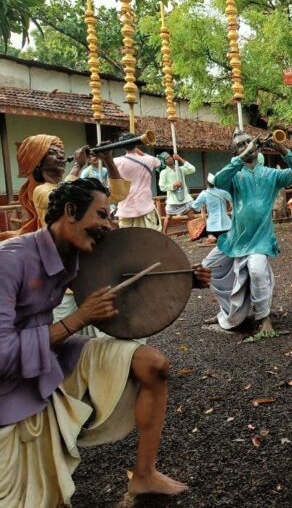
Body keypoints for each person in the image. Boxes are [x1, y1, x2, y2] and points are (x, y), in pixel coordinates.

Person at [0, 178, 211, 506]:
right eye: (102, 215)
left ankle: (144, 476)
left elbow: (130, 275)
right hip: (8, 380)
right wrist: (78, 320)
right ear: (71, 211)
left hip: (48, 353)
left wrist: (183, 277)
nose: (109, 226)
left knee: (152, 365)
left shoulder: (77, 251)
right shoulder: (9, 261)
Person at [202, 130, 292, 332]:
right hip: (234, 239)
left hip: (260, 239)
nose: (247, 145)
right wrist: (240, 158)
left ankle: (264, 318)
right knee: (207, 268)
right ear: (235, 153)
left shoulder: (271, 174)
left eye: (249, 142)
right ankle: (227, 311)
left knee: (257, 271)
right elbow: (219, 181)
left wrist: (281, 148)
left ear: (257, 146)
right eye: (240, 144)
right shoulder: (234, 175)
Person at [0, 135, 129, 242]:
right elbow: (61, 196)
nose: (61, 157)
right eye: (53, 153)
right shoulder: (40, 190)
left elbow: (117, 194)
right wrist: (78, 165)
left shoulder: (75, 185)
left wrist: (108, 160)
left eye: (62, 153)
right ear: (37, 162)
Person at [113, 132, 162, 230]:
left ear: (123, 146)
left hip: (125, 208)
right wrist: (140, 153)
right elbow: (159, 162)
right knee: (150, 240)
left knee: (128, 241)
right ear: (136, 144)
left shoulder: (116, 161)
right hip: (145, 206)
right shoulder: (149, 160)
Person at [158, 152, 196, 234]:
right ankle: (164, 234)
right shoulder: (164, 172)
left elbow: (192, 169)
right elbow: (162, 187)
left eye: (170, 157)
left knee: (191, 215)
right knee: (168, 217)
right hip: (173, 199)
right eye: (167, 159)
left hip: (184, 197)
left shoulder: (180, 169)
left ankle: (194, 232)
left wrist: (180, 158)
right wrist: (174, 185)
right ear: (164, 162)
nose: (170, 159)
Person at [191, 172, 233, 245]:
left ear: (207, 183)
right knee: (228, 233)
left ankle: (211, 237)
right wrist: (231, 204)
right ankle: (227, 238)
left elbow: (195, 206)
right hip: (227, 226)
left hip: (212, 227)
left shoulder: (204, 194)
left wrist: (202, 205)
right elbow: (233, 199)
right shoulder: (222, 192)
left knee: (207, 231)